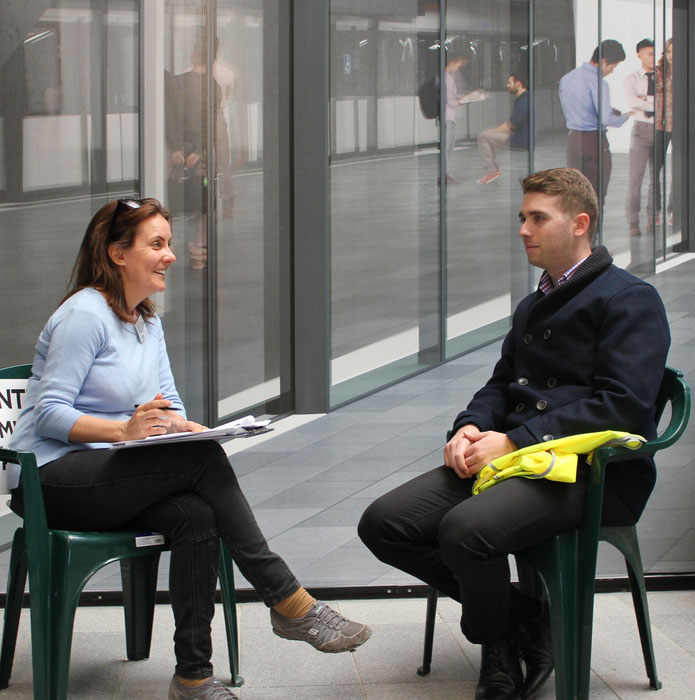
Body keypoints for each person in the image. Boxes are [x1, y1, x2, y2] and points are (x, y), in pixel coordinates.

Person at [8, 198, 371, 700]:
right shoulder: (84, 314)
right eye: (156, 245)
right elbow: (48, 413)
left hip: (110, 475)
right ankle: (286, 598)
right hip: (51, 479)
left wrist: (186, 427)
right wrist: (125, 433)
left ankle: (193, 677)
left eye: (169, 244)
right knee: (200, 464)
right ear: (117, 254)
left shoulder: (146, 321)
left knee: (196, 516)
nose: (170, 256)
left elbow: (166, 403)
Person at [358, 168, 670, 700]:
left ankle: (497, 653)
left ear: (580, 223)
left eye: (537, 218)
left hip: (594, 474)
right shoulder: (533, 304)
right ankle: (521, 616)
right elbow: (502, 384)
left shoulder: (629, 299)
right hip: (519, 460)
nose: (524, 229)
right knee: (384, 524)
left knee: (464, 531)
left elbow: (623, 404)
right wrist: (472, 426)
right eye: (522, 218)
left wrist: (518, 441)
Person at [559, 40, 633, 206]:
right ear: (604, 61)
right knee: (595, 193)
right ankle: (593, 231)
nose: (612, 72)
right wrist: (625, 116)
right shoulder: (599, 83)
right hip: (594, 141)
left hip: (573, 140)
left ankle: (576, 230)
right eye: (612, 67)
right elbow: (606, 119)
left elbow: (577, 108)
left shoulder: (567, 78)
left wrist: (608, 110)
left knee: (575, 192)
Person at [624, 39, 656, 237]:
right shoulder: (631, 79)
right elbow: (632, 102)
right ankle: (633, 222)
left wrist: (645, 99)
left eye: (654, 53)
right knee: (636, 178)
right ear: (639, 55)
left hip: (661, 129)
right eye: (649, 53)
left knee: (656, 178)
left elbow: (670, 99)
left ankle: (654, 218)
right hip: (641, 130)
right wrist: (655, 102)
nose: (653, 57)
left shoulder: (662, 78)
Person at [476, 71, 531, 185]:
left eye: (509, 83)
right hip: (520, 136)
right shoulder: (524, 99)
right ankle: (494, 168)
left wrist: (490, 131)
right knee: (489, 137)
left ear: (518, 84)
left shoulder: (524, 101)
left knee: (483, 136)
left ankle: (492, 171)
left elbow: (511, 125)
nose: (507, 85)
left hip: (520, 140)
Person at [654, 38, 673, 226]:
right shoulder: (658, 72)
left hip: (679, 125)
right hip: (660, 125)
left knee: (680, 169)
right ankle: (656, 211)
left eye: (674, 51)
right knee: (655, 169)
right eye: (668, 51)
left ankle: (673, 209)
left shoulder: (686, 70)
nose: (671, 56)